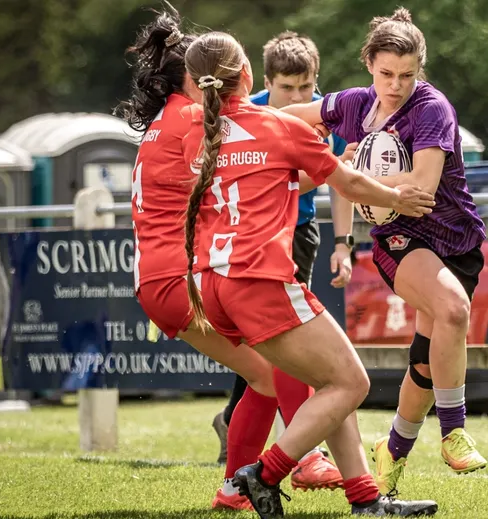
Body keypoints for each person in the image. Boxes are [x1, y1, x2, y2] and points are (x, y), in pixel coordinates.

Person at [180, 30, 439, 518]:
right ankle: (262, 473)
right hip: (259, 280)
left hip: (209, 282)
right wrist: (398, 198)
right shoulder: (279, 128)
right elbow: (346, 180)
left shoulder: (198, 131)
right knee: (352, 383)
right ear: (252, 78)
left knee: (324, 380)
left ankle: (365, 500)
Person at [115, 6, 336, 512]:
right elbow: (272, 124)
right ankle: (298, 461)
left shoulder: (168, 120)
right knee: (283, 362)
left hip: (161, 281)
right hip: (181, 279)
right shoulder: (194, 119)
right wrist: (342, 110)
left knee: (265, 372)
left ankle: (235, 488)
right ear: (193, 81)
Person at [281, 7, 488, 495]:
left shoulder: (432, 108)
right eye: (385, 74)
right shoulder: (355, 104)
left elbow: (422, 187)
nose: (395, 86)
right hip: (402, 238)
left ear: (421, 69)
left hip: (457, 240)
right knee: (453, 310)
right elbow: (290, 114)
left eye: (407, 75)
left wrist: (351, 179)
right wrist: (244, 122)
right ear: (368, 64)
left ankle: (391, 453)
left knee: (424, 360)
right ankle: (454, 430)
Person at [211, 31, 353, 494]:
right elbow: (295, 180)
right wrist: (334, 171)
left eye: (305, 87)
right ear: (265, 82)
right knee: (276, 352)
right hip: (252, 239)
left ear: (317, 82)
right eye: (286, 88)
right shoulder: (245, 115)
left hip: (300, 233)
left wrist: (344, 243)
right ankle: (301, 455)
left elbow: (339, 179)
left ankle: (240, 432)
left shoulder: (326, 114)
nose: (296, 97)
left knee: (277, 352)